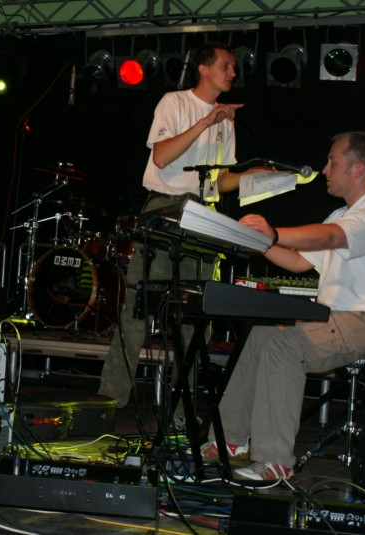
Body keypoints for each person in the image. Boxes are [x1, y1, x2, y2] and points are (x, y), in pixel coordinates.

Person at [213, 131, 365, 481]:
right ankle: (229, 440)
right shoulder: (342, 214)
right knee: (262, 334)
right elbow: (298, 262)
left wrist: (273, 232)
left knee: (284, 345)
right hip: (341, 320)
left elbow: (332, 237)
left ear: (358, 168)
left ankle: (275, 461)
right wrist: (256, 240)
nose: (324, 170)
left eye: (332, 162)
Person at [98, 42, 264, 409]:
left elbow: (219, 180)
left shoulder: (227, 120)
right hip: (165, 208)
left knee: (195, 313)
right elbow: (161, 156)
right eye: (226, 65)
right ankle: (109, 402)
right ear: (203, 69)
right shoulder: (174, 102)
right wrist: (206, 121)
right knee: (140, 305)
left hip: (204, 214)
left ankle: (181, 411)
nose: (233, 72)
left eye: (234, 67)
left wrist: (253, 176)